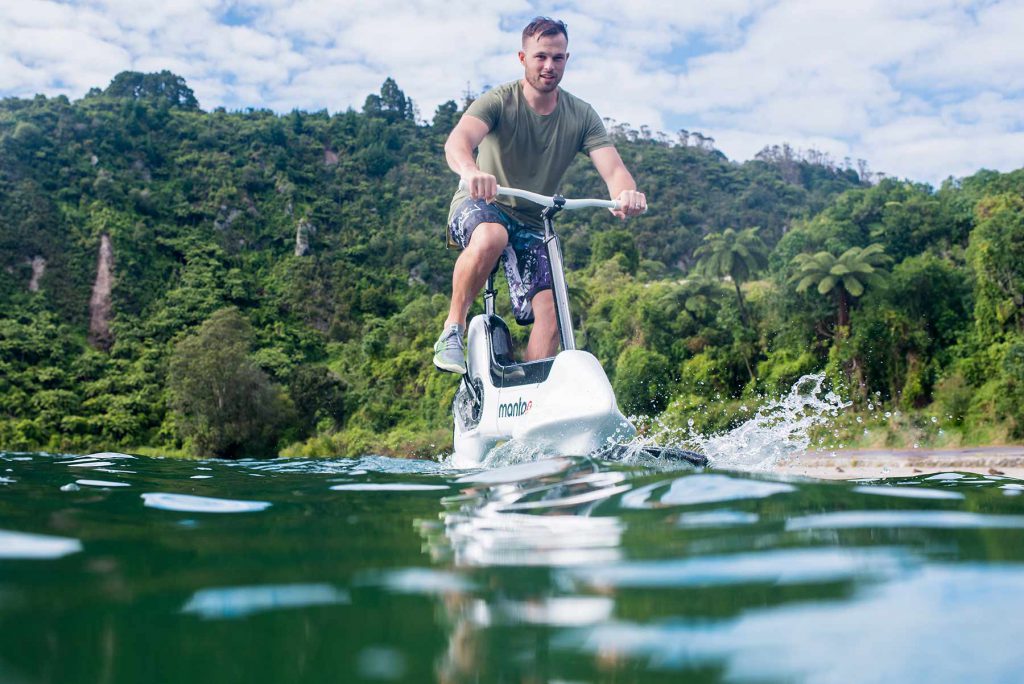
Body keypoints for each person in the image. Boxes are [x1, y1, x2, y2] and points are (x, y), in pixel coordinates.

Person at [433, 16, 647, 374]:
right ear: (522, 58)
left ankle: (533, 402)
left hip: (533, 221)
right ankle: (452, 331)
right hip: (482, 203)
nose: (550, 66)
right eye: (541, 57)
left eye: (558, 58)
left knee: (552, 313)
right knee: (492, 235)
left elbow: (613, 170)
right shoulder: (499, 101)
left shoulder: (581, 115)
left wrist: (626, 194)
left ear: (567, 59)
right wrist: (471, 172)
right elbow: (458, 141)